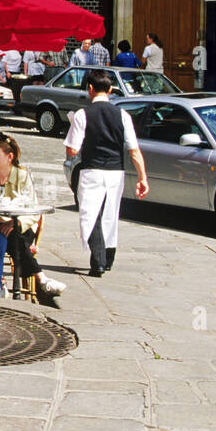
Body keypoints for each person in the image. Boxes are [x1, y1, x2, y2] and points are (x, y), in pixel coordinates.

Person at [64, 70, 150, 277]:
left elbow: (72, 150)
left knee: (90, 214)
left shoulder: (82, 115)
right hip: (115, 171)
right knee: (111, 213)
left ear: (90, 89)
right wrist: (142, 178)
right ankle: (108, 258)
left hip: (91, 169)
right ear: (110, 90)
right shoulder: (123, 115)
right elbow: (134, 150)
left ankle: (98, 261)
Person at [0, 133, 65, 304]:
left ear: (9, 157)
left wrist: (16, 223)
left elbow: (33, 211)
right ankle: (40, 278)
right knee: (2, 236)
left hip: (22, 227)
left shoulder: (22, 176)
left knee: (13, 235)